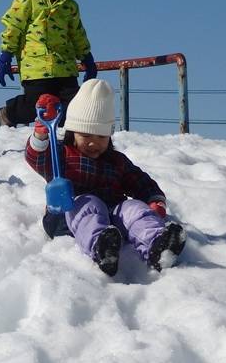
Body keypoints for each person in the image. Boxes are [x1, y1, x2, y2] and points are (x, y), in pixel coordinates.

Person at [26, 80, 186, 276]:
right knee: (89, 202)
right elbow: (37, 158)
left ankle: (157, 245)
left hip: (113, 213)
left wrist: (154, 200)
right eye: (86, 135)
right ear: (72, 131)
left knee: (133, 208)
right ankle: (101, 247)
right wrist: (41, 136)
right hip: (68, 217)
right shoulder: (61, 155)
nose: (94, 143)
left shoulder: (116, 161)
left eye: (101, 137)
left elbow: (139, 180)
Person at [0, 0, 96, 126]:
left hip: (65, 66)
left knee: (73, 106)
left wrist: (86, 56)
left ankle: (63, 137)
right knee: (36, 104)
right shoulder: (27, 0)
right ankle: (8, 113)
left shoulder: (70, 6)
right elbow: (13, 27)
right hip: (36, 67)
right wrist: (6, 53)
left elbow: (77, 33)